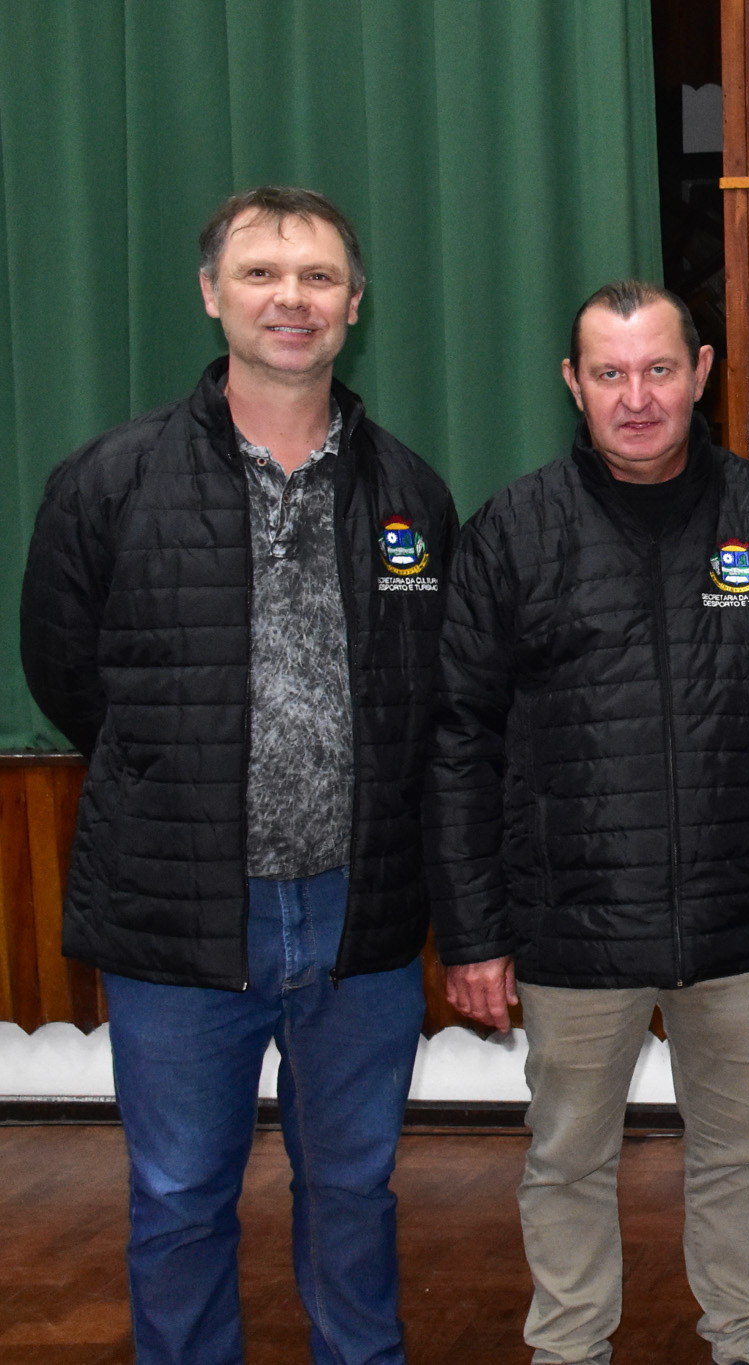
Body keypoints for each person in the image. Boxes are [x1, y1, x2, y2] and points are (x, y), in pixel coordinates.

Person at [19, 186, 454, 1365]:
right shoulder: (108, 481)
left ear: (355, 305)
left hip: (359, 914)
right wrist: (182, 780)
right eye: (260, 273)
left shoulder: (411, 495)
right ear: (212, 294)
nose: (289, 298)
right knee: (177, 1196)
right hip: (178, 910)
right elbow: (69, 677)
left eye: (318, 277)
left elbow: (425, 696)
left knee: (355, 1190)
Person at [426, 280, 749, 1365]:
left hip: (738, 914)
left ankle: (743, 1331)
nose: (637, 398)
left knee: (738, 1146)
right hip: (573, 924)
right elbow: (459, 743)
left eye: (659, 369)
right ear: (572, 385)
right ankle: (570, 1347)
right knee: (567, 1157)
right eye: (610, 374)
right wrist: (474, 932)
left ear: (700, 373)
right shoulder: (512, 532)